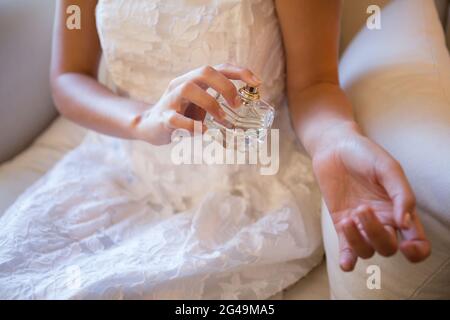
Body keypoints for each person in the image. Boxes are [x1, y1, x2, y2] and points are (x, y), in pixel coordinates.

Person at [0, 0, 431, 299]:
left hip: (247, 193)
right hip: (120, 169)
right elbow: (69, 78)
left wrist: (337, 140)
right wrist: (142, 120)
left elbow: (314, 84)